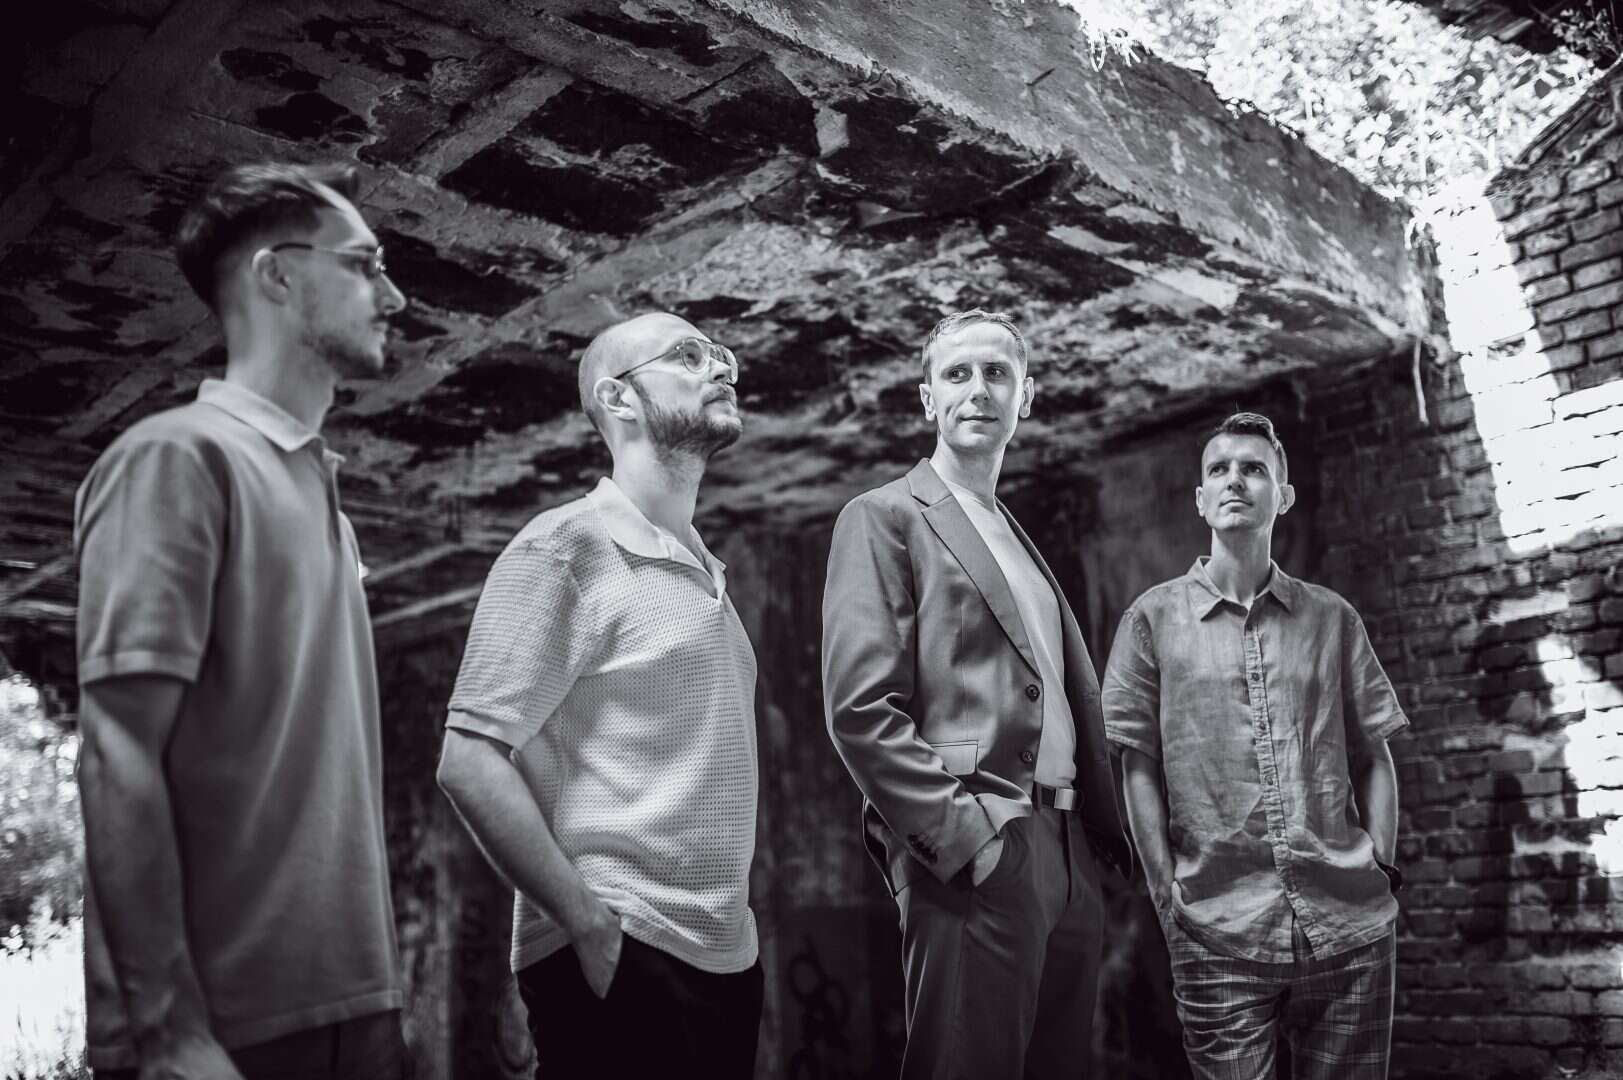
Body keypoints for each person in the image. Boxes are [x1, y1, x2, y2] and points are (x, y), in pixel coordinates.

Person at [74, 162, 410, 1079]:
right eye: (365, 265)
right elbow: (115, 747)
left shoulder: (326, 501)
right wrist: (167, 1028)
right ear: (277, 275)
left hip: (358, 1009)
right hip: (226, 1035)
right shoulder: (175, 459)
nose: (394, 297)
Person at [436, 313, 763, 1079]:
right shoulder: (563, 548)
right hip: (622, 946)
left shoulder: (705, 569)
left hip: (726, 956)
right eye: (688, 355)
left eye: (720, 354)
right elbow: (468, 760)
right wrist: (589, 927)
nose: (720, 367)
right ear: (618, 399)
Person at [821, 309, 1132, 1079]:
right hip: (980, 842)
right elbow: (860, 710)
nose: (978, 388)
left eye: (997, 373)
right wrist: (970, 842)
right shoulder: (885, 517)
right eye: (956, 373)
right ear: (928, 399)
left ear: (1025, 396)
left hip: (1067, 851)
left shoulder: (1011, 534)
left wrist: (1087, 853)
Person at [1102, 411, 1405, 1080]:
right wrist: (1166, 896)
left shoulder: (1332, 618)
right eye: (1219, 469)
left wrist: (1379, 867)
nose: (1234, 480)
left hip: (1348, 927)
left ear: (1282, 496)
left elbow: (1374, 756)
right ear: (1200, 499)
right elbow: (1136, 766)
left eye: (1253, 469)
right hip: (1215, 928)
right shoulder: (1151, 619)